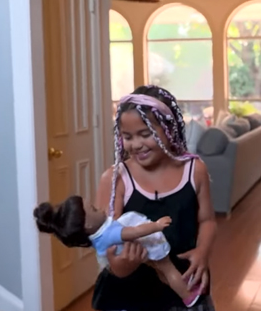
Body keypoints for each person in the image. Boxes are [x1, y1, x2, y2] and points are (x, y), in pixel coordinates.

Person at [91, 85, 217, 311]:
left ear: (170, 130)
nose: (136, 144)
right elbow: (108, 248)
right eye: (127, 136)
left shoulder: (194, 170)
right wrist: (122, 266)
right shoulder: (115, 179)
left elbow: (207, 220)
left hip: (184, 288)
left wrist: (202, 252)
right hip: (129, 298)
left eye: (145, 133)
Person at [33, 196, 203, 307]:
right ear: (88, 226)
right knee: (168, 268)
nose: (99, 208)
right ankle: (188, 296)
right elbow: (134, 232)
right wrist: (156, 225)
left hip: (140, 255)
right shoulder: (110, 234)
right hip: (148, 245)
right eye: (93, 208)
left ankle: (180, 286)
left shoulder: (95, 239)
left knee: (160, 271)